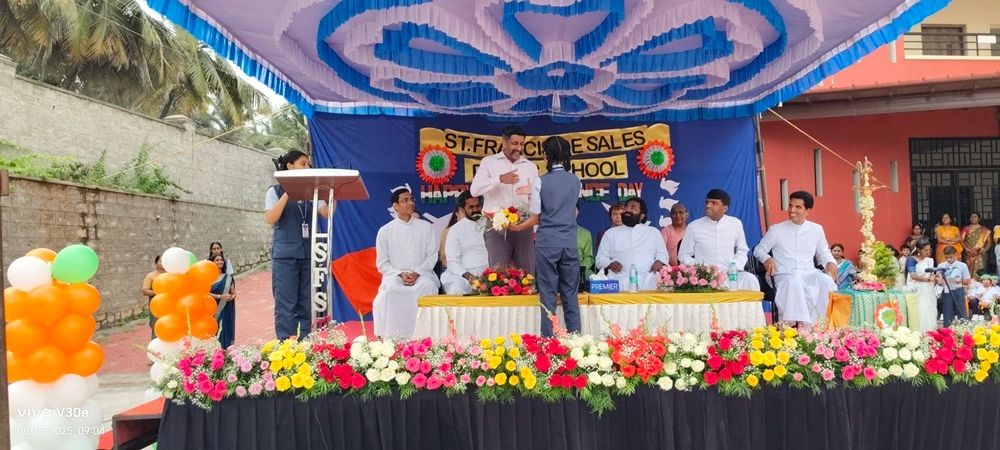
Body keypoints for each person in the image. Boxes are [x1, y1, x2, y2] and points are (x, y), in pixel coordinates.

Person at [508, 136, 582, 337]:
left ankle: (548, 340)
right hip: (569, 242)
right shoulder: (576, 180)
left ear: (545, 155)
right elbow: (572, 210)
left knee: (548, 294)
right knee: (570, 294)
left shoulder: (541, 181)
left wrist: (518, 227)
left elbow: (536, 217)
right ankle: (576, 340)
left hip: (547, 243)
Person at [264, 150, 332, 339]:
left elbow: (327, 212)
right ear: (289, 166)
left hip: (309, 255)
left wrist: (333, 193)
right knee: (285, 305)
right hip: (285, 257)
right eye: (303, 163)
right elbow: (270, 218)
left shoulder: (313, 193)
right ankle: (286, 345)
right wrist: (289, 192)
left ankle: (306, 343)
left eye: (308, 164)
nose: (307, 167)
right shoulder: (275, 191)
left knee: (307, 303)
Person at [754, 191, 838, 327]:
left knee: (826, 281)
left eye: (798, 207)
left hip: (808, 272)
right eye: (790, 206)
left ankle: (820, 324)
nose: (792, 210)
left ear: (807, 211)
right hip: (783, 273)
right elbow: (759, 250)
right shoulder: (776, 230)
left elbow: (823, 252)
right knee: (793, 282)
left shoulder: (816, 229)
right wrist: (767, 259)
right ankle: (796, 326)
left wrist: (830, 262)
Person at [470, 125, 539, 274]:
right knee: (498, 274)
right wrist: (500, 179)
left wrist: (531, 192)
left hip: (523, 226)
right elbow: (474, 190)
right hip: (497, 227)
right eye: (515, 143)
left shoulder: (530, 167)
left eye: (522, 144)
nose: (519, 148)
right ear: (504, 142)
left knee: (527, 274)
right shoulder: (489, 162)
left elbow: (536, 200)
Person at [372, 189, 439, 338]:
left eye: (411, 199)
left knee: (429, 286)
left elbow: (431, 256)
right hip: (395, 275)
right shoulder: (385, 231)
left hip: (422, 274)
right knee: (391, 290)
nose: (411, 203)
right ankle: (394, 338)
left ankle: (426, 337)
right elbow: (382, 264)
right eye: (405, 200)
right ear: (395, 206)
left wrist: (417, 272)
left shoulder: (426, 227)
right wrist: (400, 274)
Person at [677, 190, 759, 290]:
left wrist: (734, 266)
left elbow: (742, 250)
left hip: (729, 276)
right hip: (704, 278)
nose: (708, 206)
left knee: (750, 279)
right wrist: (700, 269)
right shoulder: (694, 226)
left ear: (724, 208)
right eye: (707, 202)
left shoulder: (735, 224)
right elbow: (683, 255)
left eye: (714, 203)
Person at [596, 197, 669, 291]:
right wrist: (609, 263)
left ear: (641, 216)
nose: (628, 210)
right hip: (620, 277)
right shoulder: (610, 233)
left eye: (633, 208)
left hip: (649, 277)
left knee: (659, 284)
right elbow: (600, 258)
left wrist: (659, 261)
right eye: (626, 207)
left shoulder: (653, 232)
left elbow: (663, 254)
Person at [442, 191, 488, 295]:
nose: (475, 209)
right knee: (455, 290)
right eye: (471, 207)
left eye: (477, 206)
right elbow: (452, 261)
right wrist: (470, 277)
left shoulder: (490, 224)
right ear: (462, 210)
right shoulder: (456, 229)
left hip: (488, 271)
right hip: (463, 274)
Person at [906, 240, 938, 331]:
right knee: (920, 310)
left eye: (929, 250)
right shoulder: (911, 259)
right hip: (917, 290)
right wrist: (927, 280)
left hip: (928, 289)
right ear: (919, 250)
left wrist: (933, 277)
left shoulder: (929, 260)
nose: (928, 252)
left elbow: (931, 274)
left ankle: (930, 331)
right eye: (925, 250)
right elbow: (913, 276)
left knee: (930, 309)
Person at [936, 245, 970, 327]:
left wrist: (960, 281)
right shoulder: (941, 266)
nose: (948, 259)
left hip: (958, 290)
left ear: (955, 254)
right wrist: (939, 281)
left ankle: (964, 330)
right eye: (946, 257)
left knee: (961, 312)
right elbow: (937, 279)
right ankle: (947, 330)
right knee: (947, 313)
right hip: (946, 290)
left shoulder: (962, 265)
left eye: (950, 257)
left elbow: (967, 281)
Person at [208, 252, 237, 348]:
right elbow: (205, 293)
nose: (220, 262)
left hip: (226, 309)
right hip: (212, 309)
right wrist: (220, 296)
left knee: (225, 329)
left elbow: (233, 293)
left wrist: (231, 297)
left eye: (221, 260)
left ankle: (226, 351)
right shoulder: (208, 278)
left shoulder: (228, 277)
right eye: (217, 260)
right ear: (212, 262)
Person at [141, 255, 166, 341]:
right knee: (156, 326)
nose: (162, 263)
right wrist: (159, 293)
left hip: (170, 305)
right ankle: (155, 343)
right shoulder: (151, 276)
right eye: (160, 261)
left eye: (164, 261)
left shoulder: (171, 275)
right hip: (156, 305)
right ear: (156, 263)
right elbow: (145, 291)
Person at [961, 212, 992, 279]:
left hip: (980, 253)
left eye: (975, 217)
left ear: (979, 219)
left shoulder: (984, 229)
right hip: (969, 254)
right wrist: (968, 250)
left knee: (981, 270)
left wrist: (985, 249)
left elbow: (989, 242)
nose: (973, 218)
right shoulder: (966, 229)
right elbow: (961, 241)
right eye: (971, 217)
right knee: (969, 271)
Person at [576, 201, 596, 290]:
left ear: (577, 212)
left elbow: (589, 257)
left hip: (580, 272)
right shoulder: (554, 233)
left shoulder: (585, 233)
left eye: (573, 209)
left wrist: (579, 269)